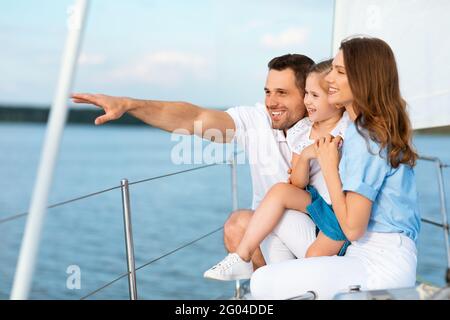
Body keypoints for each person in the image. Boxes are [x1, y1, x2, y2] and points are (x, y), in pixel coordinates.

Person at [71, 54, 318, 270]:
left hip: (315, 238)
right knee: (237, 226)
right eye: (268, 91)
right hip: (269, 233)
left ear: (307, 95)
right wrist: (128, 104)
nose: (271, 102)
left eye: (282, 93)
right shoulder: (256, 120)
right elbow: (194, 118)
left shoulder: (327, 131)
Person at [249, 36, 421, 300]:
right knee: (273, 223)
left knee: (263, 283)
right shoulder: (358, 130)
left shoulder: (369, 137)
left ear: (362, 79)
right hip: (360, 252)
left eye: (339, 72)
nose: (329, 79)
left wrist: (329, 167)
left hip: (382, 263)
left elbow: (353, 228)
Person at [203, 60, 352, 281]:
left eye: (315, 96)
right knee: (280, 192)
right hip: (316, 206)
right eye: (306, 95)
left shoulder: (348, 128)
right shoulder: (303, 130)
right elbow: (297, 184)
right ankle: (244, 259)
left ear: (336, 100)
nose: (307, 102)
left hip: (338, 210)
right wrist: (307, 155)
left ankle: (266, 272)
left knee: (278, 207)